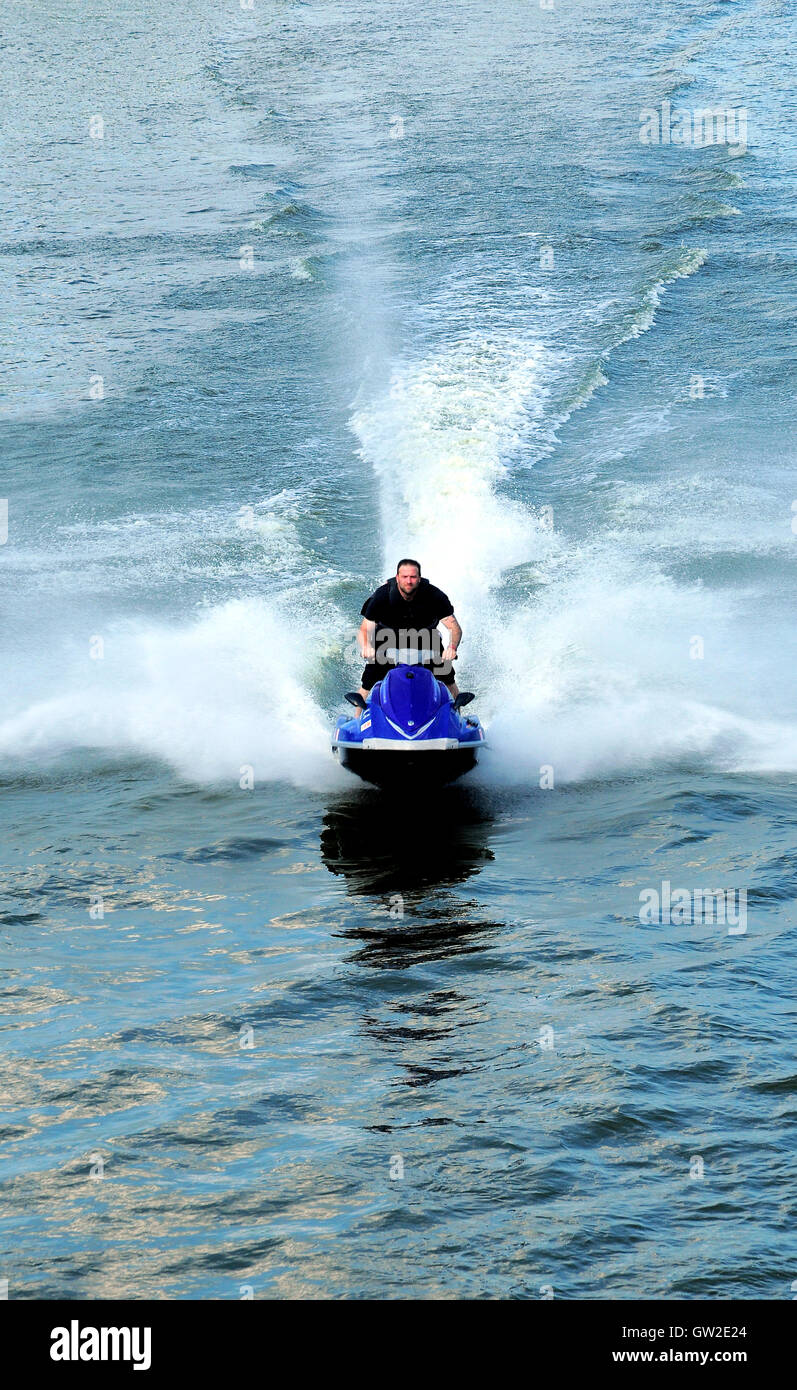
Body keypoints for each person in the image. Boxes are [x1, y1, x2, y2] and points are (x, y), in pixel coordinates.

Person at [356, 559, 463, 709]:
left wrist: (452, 647)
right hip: (387, 638)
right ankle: (358, 720)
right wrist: (367, 646)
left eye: (413, 577)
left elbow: (454, 627)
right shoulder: (382, 596)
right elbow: (365, 628)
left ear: (419, 578)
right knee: (369, 680)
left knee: (447, 676)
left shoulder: (434, 596)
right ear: (397, 577)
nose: (409, 581)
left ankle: (459, 717)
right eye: (405, 577)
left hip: (426, 639)